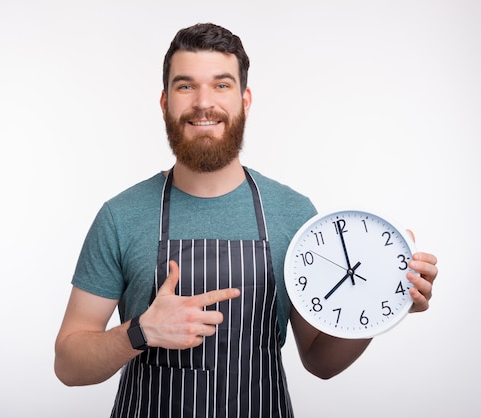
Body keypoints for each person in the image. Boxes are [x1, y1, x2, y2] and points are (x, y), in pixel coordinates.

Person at [54, 23, 438, 417]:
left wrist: (384, 303)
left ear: (245, 99)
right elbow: (68, 363)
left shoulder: (293, 213)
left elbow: (320, 362)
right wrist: (141, 331)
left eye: (221, 85)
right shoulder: (121, 216)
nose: (204, 102)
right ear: (165, 102)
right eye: (186, 86)